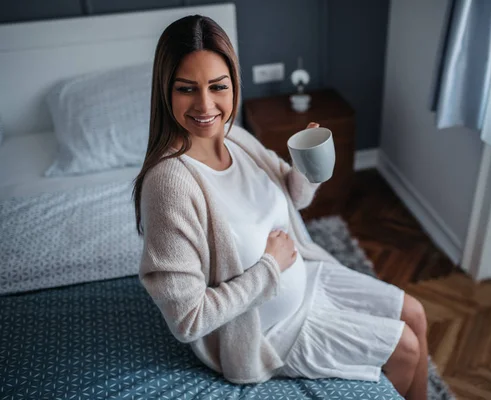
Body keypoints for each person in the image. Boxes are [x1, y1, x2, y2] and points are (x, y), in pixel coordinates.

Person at [132, 14, 428, 400]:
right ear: (165, 91)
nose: (205, 105)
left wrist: (309, 166)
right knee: (405, 348)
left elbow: (295, 195)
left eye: (217, 86)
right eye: (187, 89)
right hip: (269, 330)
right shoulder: (170, 184)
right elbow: (188, 320)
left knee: (416, 313)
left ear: (233, 85)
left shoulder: (236, 138)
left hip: (306, 277)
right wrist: (270, 268)